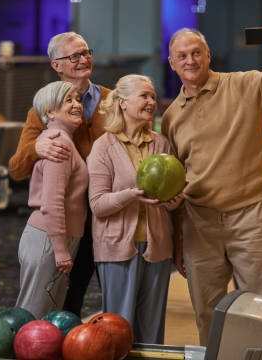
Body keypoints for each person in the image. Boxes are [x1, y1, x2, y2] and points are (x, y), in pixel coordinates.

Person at [161, 24, 262, 345]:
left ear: (208, 55)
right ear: (171, 63)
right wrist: (179, 236)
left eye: (196, 53)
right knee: (207, 311)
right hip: (199, 223)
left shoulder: (243, 85)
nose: (190, 60)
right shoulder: (171, 118)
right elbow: (176, 181)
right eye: (182, 55)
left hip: (251, 215)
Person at [9, 32, 110, 316]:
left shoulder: (114, 102)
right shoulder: (42, 110)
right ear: (57, 65)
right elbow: (16, 169)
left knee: (114, 300)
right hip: (65, 223)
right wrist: (36, 147)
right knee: (65, 300)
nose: (83, 59)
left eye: (86, 52)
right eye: (73, 56)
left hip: (108, 218)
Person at [87, 74, 184, 344]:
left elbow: (173, 198)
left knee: (152, 331)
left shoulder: (161, 144)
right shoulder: (103, 147)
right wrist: (132, 195)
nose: (151, 101)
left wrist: (174, 200)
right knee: (117, 329)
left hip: (158, 248)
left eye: (153, 96)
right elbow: (97, 205)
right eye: (144, 96)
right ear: (123, 102)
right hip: (117, 248)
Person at [15, 81, 88, 319]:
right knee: (32, 316)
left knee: (46, 316)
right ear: (50, 111)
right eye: (68, 100)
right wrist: (60, 250)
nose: (77, 104)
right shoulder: (59, 143)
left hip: (54, 238)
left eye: (77, 99)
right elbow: (52, 202)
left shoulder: (64, 140)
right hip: (48, 239)